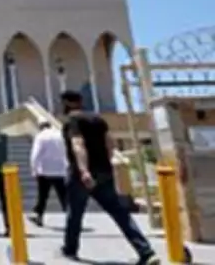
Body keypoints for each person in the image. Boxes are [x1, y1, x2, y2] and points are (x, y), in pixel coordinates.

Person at [60, 91, 160, 265]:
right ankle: (146, 251)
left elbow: (78, 144)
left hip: (81, 175)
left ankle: (70, 248)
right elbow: (110, 144)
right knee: (120, 213)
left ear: (66, 103)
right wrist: (106, 164)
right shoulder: (98, 120)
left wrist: (84, 171)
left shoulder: (72, 121)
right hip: (104, 172)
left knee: (75, 213)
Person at [27, 117, 67, 227]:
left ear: (40, 126)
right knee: (63, 196)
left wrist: (34, 169)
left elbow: (35, 155)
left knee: (43, 196)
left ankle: (38, 216)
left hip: (44, 171)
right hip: (60, 170)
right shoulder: (60, 135)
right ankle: (71, 215)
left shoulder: (40, 136)